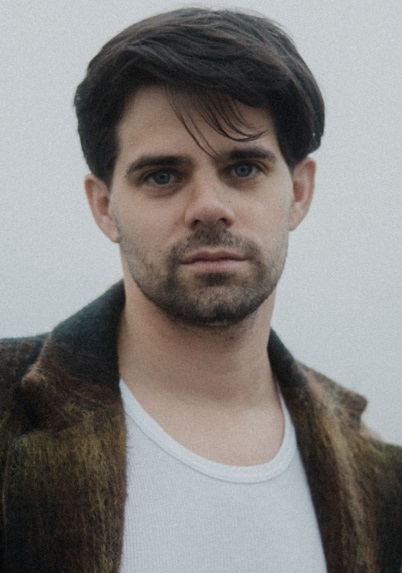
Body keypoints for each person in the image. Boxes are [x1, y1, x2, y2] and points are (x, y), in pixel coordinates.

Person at [0, 8, 401, 573]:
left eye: (243, 168)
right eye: (162, 175)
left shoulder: (380, 480)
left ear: (299, 192)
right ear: (105, 206)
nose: (209, 207)